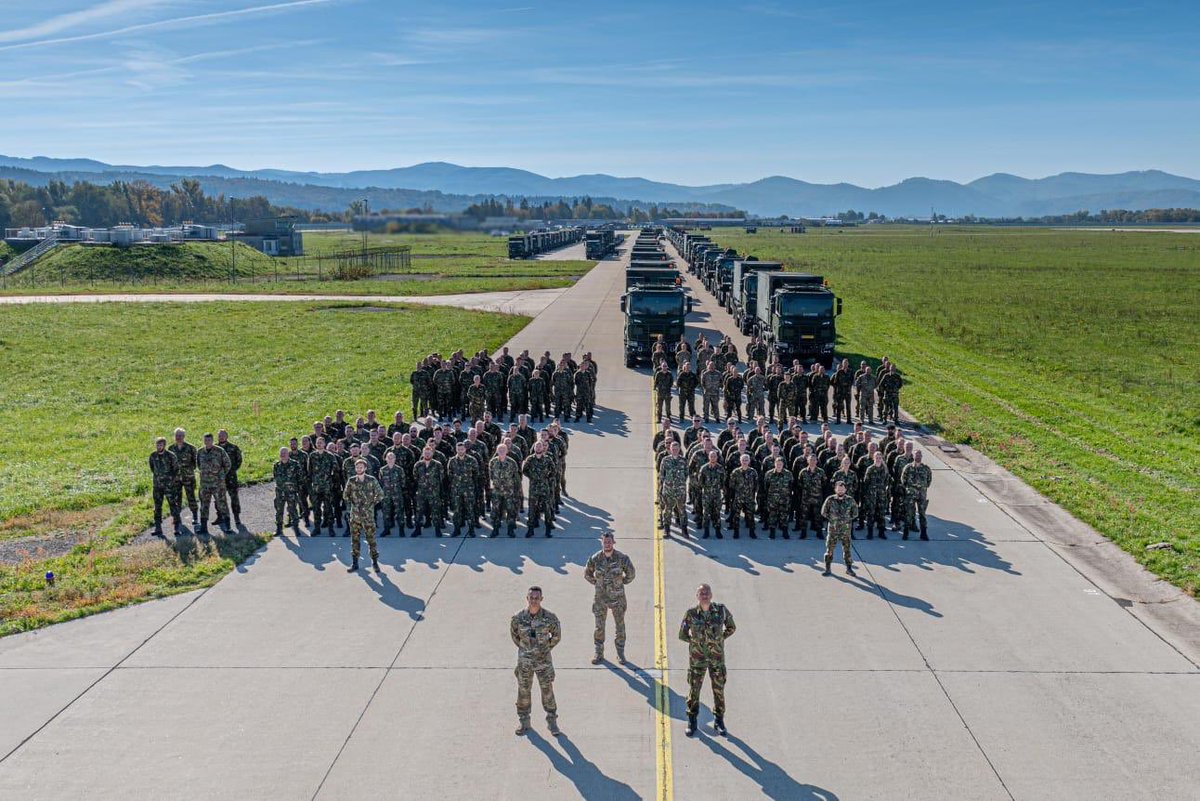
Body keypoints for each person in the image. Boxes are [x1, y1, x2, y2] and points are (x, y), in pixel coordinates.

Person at [679, 583, 736, 737]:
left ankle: (719, 720)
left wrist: (719, 640)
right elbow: (682, 634)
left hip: (716, 659)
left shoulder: (721, 610)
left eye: (707, 593)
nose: (704, 595)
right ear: (697, 596)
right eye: (701, 593)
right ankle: (692, 720)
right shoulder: (691, 614)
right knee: (694, 690)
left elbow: (731, 627)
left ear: (711, 595)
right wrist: (696, 644)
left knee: (718, 690)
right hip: (697, 660)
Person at [511, 586, 562, 737]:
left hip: (543, 662)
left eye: (536, 598)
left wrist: (544, 649)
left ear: (541, 599)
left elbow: (557, 636)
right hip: (525, 662)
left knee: (547, 691)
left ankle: (552, 721)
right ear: (527, 598)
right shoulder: (518, 618)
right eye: (531, 598)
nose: (534, 600)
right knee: (523, 691)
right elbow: (515, 636)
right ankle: (524, 721)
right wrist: (525, 650)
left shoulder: (549, 618)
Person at [584, 533, 636, 665]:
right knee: (599, 627)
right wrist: (596, 583)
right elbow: (587, 573)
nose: (607, 544)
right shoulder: (595, 558)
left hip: (617, 597)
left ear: (614, 543)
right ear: (602, 543)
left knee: (620, 626)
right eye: (605, 542)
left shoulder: (622, 558)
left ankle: (620, 653)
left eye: (609, 542)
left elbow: (631, 573)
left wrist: (621, 583)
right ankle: (598, 653)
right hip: (600, 598)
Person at [344, 458, 384, 573]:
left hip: (368, 516)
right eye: (357, 467)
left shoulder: (371, 480)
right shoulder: (351, 481)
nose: (359, 469)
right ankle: (355, 563)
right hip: (355, 516)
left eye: (361, 467)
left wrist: (371, 503)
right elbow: (345, 495)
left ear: (365, 468)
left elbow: (380, 494)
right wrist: (354, 502)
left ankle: (375, 563)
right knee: (355, 540)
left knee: (371, 540)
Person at [821, 480, 860, 576]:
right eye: (839, 489)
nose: (840, 491)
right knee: (829, 549)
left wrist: (846, 519)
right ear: (835, 489)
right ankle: (828, 568)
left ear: (845, 489)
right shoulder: (830, 500)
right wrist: (832, 519)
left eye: (842, 490)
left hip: (845, 530)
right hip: (833, 530)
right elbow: (823, 512)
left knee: (847, 550)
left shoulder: (850, 500)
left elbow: (855, 513)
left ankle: (849, 568)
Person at [196, 433, 232, 535]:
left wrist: (221, 475)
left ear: (212, 440)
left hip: (218, 484)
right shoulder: (200, 452)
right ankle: (203, 528)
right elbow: (198, 465)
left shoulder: (219, 451)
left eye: (209, 440)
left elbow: (227, 464)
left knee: (222, 504)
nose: (207, 442)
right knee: (204, 505)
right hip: (205, 484)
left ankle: (228, 526)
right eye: (205, 440)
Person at [148, 437, 181, 537]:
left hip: (169, 486)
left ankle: (177, 527)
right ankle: (158, 528)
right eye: (157, 445)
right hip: (157, 486)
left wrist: (170, 480)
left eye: (161, 445)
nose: (159, 446)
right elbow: (152, 468)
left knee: (173, 506)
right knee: (157, 507)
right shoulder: (153, 456)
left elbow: (176, 469)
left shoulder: (171, 456)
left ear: (164, 445)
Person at [489, 443, 522, 537]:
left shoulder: (512, 462)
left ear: (507, 451)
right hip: (497, 490)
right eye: (500, 450)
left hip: (509, 491)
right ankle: (495, 529)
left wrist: (516, 490)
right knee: (495, 510)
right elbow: (491, 475)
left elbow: (516, 477)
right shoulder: (493, 462)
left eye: (503, 450)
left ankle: (510, 529)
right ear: (497, 451)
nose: (502, 452)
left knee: (510, 510)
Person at [168, 427, 199, 528]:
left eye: (180, 435)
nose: (178, 437)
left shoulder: (191, 448)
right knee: (177, 499)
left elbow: (196, 463)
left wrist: (188, 470)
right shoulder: (171, 449)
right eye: (177, 435)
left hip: (188, 476)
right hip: (176, 478)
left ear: (184, 436)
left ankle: (195, 516)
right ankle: (177, 518)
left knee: (191, 497)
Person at [658, 439, 689, 538]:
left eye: (676, 449)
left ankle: (684, 530)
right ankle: (667, 530)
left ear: (679, 449)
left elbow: (686, 474)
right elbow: (662, 475)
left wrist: (680, 484)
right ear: (670, 449)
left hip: (680, 491)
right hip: (668, 491)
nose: (675, 450)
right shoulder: (665, 460)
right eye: (673, 449)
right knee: (667, 511)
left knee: (682, 511)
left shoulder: (683, 461)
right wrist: (661, 489)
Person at [900, 449, 933, 540]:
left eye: (919, 455)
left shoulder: (926, 468)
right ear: (913, 456)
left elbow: (929, 481)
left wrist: (922, 488)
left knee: (922, 514)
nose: (918, 456)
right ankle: (905, 533)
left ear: (921, 457)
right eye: (916, 455)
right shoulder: (908, 467)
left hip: (922, 495)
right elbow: (903, 480)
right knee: (909, 514)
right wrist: (909, 489)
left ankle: (923, 533)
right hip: (910, 495)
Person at [272, 447, 302, 536]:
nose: (283, 455)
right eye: (281, 453)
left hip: (291, 492)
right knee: (279, 511)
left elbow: (300, 478)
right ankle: (279, 529)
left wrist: (297, 489)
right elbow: (275, 477)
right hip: (280, 492)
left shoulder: (295, 464)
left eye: (284, 453)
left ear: (288, 454)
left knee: (293, 510)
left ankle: (296, 528)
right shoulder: (276, 465)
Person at [217, 430, 243, 528]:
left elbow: (239, 460)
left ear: (227, 436)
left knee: (234, 498)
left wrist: (232, 470)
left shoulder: (233, 448)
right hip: (219, 478)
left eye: (223, 435)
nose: (221, 437)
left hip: (231, 477)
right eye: (220, 436)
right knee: (219, 498)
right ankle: (221, 517)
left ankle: (237, 517)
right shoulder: (215, 448)